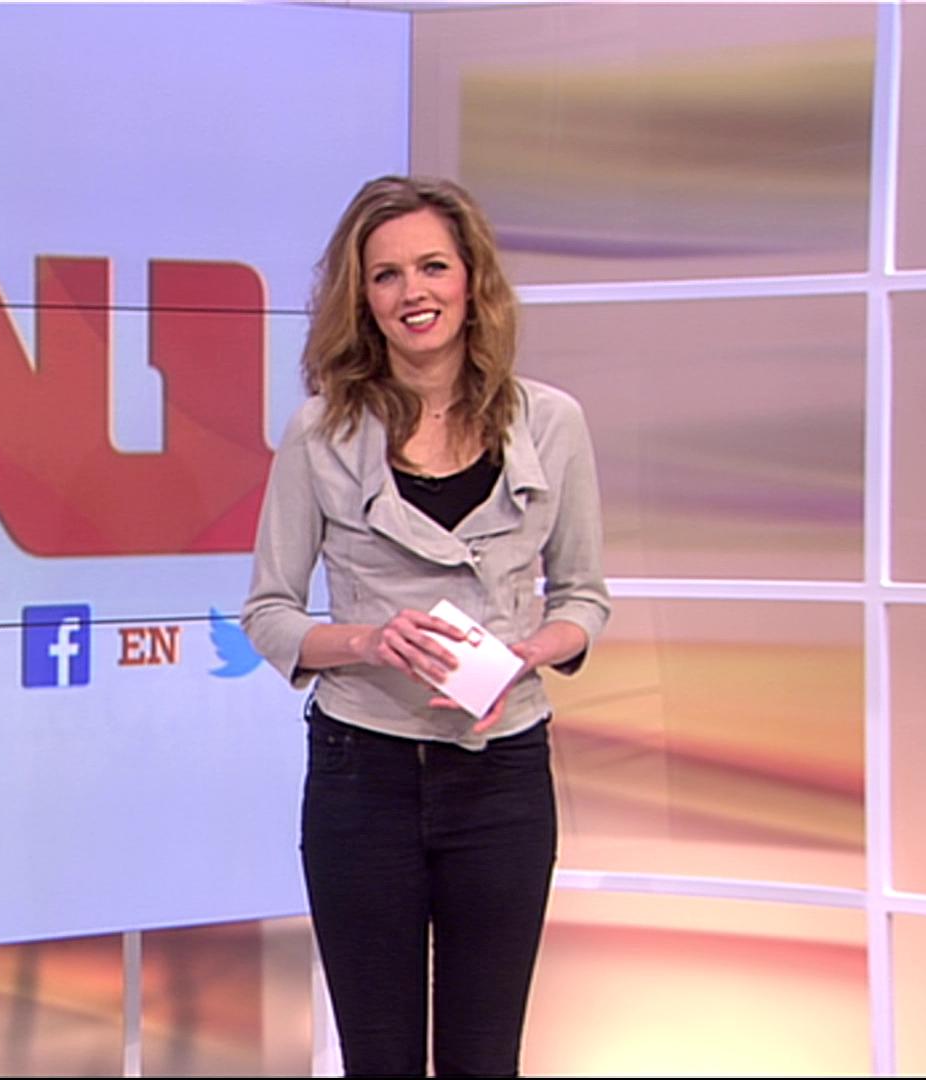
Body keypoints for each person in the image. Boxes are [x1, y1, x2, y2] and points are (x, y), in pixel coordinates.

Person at [241, 176, 610, 1077]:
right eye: (387, 275)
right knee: (381, 1060)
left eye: (433, 267)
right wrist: (366, 641)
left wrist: (528, 653)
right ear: (361, 299)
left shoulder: (552, 422)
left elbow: (584, 599)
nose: (414, 292)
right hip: (362, 776)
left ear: (472, 279)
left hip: (502, 778)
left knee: (485, 1059)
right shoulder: (319, 434)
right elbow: (268, 611)